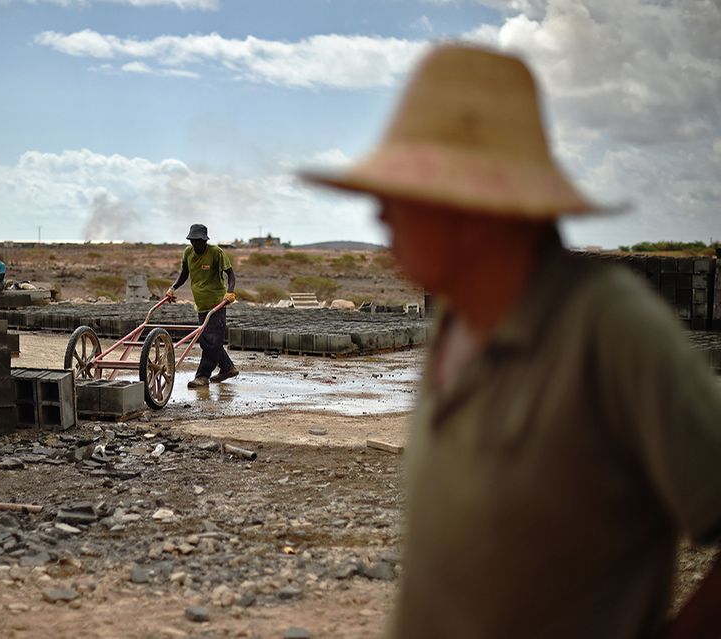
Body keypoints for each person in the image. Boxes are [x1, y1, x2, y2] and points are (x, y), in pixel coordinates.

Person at [302, 44, 721, 638]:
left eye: (403, 194)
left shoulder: (608, 327)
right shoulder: (456, 318)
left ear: (473, 207)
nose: (380, 216)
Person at [166, 223, 238, 388]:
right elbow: (185, 273)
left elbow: (231, 274)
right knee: (209, 340)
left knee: (210, 342)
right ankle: (228, 368)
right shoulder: (188, 252)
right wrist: (173, 288)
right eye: (193, 240)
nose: (196, 244)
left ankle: (203, 376)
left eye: (199, 241)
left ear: (205, 240)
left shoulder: (216, 253)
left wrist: (230, 292)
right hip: (201, 304)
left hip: (217, 304)